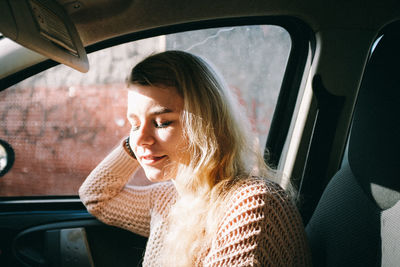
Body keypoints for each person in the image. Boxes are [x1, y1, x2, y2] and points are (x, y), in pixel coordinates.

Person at [79, 50, 311, 266]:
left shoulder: (251, 204)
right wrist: (137, 141)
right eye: (134, 124)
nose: (139, 139)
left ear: (207, 125)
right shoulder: (168, 198)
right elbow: (97, 198)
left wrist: (141, 133)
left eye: (162, 122)